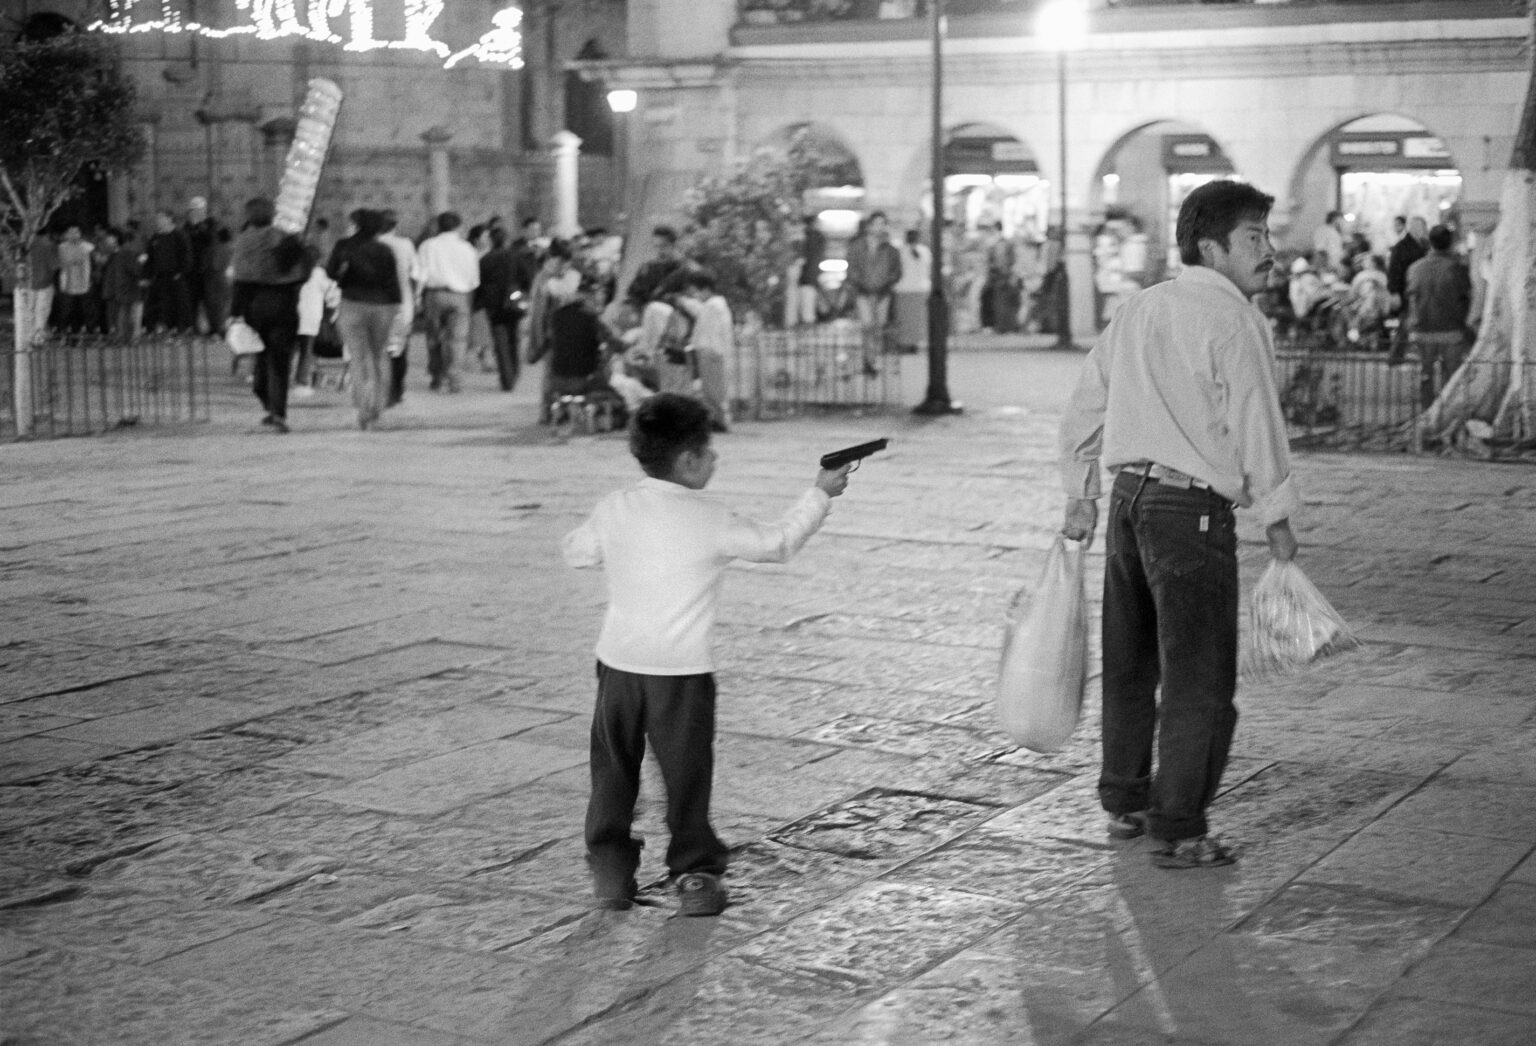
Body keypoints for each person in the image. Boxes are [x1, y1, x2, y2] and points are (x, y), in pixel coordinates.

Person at [1059, 179, 1299, 870]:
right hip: (1189, 513)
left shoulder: (1140, 308)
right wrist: (1277, 516)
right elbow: (1258, 424)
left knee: (1131, 665)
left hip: (1130, 503)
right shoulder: (1233, 321)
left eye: (1267, 237)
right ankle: (1182, 825)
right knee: (1199, 678)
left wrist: (1079, 494)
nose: (1270, 252)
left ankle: (1126, 803)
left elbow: (1082, 408)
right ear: (1211, 246)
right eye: (1255, 239)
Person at [561, 392, 852, 914]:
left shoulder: (616, 507)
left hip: (618, 668)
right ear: (689, 460)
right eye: (710, 451)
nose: (716, 459)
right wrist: (821, 493)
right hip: (682, 674)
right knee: (685, 775)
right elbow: (778, 543)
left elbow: (577, 552)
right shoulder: (711, 517)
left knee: (613, 769)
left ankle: (610, 871)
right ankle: (693, 874)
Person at [229, 196, 308, 433]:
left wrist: (235, 312)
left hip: (256, 305)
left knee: (262, 356)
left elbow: (240, 280)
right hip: (284, 304)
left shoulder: (245, 240)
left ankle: (267, 400)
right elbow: (302, 272)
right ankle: (277, 412)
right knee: (280, 361)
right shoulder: (286, 238)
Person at [327, 208, 403, 429]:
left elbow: (331, 273)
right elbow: (392, 282)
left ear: (357, 224)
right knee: (380, 355)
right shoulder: (385, 250)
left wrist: (345, 274)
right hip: (383, 306)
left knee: (357, 357)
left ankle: (362, 409)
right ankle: (378, 407)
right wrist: (396, 309)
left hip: (352, 303)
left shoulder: (344, 246)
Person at [1405, 224, 1473, 408]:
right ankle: (1444, 416)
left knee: (1425, 376)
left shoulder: (1415, 268)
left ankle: (1427, 415)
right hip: (1451, 331)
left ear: (1430, 243)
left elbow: (1411, 300)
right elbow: (1465, 297)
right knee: (1451, 379)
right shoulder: (1457, 268)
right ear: (1450, 243)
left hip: (1421, 330)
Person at [416, 211, 480, 393]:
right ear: (458, 227)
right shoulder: (467, 248)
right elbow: (474, 280)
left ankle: (437, 377)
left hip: (434, 295)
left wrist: (417, 297)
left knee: (434, 338)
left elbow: (420, 274)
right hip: (460, 296)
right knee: (458, 340)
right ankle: (455, 379)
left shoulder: (428, 246)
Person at [672, 268, 734, 431]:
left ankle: (721, 420)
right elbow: (699, 310)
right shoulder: (715, 305)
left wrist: (684, 302)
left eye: (697, 291)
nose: (696, 296)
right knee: (711, 388)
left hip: (711, 351)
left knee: (713, 390)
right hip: (712, 351)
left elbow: (704, 321)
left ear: (705, 289)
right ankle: (717, 419)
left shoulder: (714, 306)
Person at [844, 211, 902, 370]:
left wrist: (888, 284)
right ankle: (868, 359)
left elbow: (896, 271)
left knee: (879, 326)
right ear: (869, 226)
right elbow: (851, 268)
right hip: (863, 292)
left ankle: (873, 357)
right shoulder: (857, 247)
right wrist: (858, 283)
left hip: (883, 293)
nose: (879, 227)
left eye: (882, 224)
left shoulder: (890, 250)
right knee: (867, 324)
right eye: (876, 223)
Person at [378, 210, 419, 408]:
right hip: (402, 305)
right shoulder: (406, 245)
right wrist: (417, 296)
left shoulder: (371, 245)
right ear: (395, 226)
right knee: (399, 350)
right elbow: (417, 273)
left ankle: (382, 389)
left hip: (376, 305)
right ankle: (396, 390)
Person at [477, 227, 521, 392]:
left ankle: (506, 378)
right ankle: (514, 373)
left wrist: (478, 303)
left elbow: (480, 283)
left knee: (500, 341)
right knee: (514, 339)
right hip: (514, 301)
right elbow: (526, 277)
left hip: (494, 305)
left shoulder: (486, 259)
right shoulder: (516, 257)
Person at [292, 244, 340, 396]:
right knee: (307, 351)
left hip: (291, 315)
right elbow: (332, 293)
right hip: (310, 317)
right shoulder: (318, 273)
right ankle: (301, 382)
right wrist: (333, 309)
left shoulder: (293, 270)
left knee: (290, 349)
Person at [142, 210, 194, 333]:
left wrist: (180, 272)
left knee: (179, 303)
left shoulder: (180, 235)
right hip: (159, 276)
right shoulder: (155, 237)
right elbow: (150, 258)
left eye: (160, 218)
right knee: (159, 304)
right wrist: (146, 276)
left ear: (169, 219)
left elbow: (186, 256)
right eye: (157, 218)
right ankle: (161, 327)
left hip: (176, 276)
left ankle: (182, 328)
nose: (157, 221)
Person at [98, 228, 144, 341]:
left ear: (115, 239)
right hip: (112, 293)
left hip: (124, 293)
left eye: (108, 238)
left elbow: (136, 271)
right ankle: (119, 337)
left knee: (124, 322)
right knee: (115, 321)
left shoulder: (125, 254)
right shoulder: (109, 256)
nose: (105, 241)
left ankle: (126, 340)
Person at [625, 224, 685, 309]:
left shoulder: (683, 269)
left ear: (674, 245)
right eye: (656, 246)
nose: (659, 251)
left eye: (663, 246)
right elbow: (634, 293)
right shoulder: (648, 268)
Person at [893, 228, 931, 353]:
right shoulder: (925, 251)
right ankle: (915, 343)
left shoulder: (901, 251)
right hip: (921, 289)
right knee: (918, 320)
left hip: (904, 289)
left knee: (904, 320)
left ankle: (905, 344)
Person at [54, 225, 95, 333]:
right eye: (71, 232)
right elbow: (58, 265)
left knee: (86, 311)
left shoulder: (88, 247)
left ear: (80, 233)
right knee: (67, 311)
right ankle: (66, 333)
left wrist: (90, 280)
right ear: (67, 234)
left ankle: (90, 334)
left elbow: (92, 265)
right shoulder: (61, 248)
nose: (73, 235)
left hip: (84, 284)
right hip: (67, 285)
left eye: (76, 232)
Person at [795, 216, 827, 327]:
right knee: (807, 310)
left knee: (805, 310)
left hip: (805, 278)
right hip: (809, 278)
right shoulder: (816, 238)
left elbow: (809, 259)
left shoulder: (810, 238)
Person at [1311, 209, 1346, 276]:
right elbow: (1320, 249)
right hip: (1326, 265)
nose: (1342, 222)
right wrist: (1327, 264)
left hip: (1335, 264)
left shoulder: (1335, 231)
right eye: (1340, 219)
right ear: (1335, 218)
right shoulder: (1323, 230)